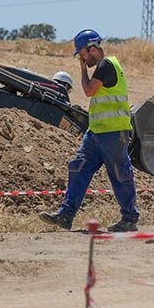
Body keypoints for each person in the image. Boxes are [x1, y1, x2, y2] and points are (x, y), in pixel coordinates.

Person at [38, 29, 140, 233]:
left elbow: (88, 91)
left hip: (113, 133)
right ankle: (66, 215)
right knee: (78, 168)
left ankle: (129, 219)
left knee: (120, 175)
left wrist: (83, 71)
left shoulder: (106, 65)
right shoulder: (103, 67)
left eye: (82, 54)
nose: (81, 58)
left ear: (91, 48)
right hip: (96, 133)